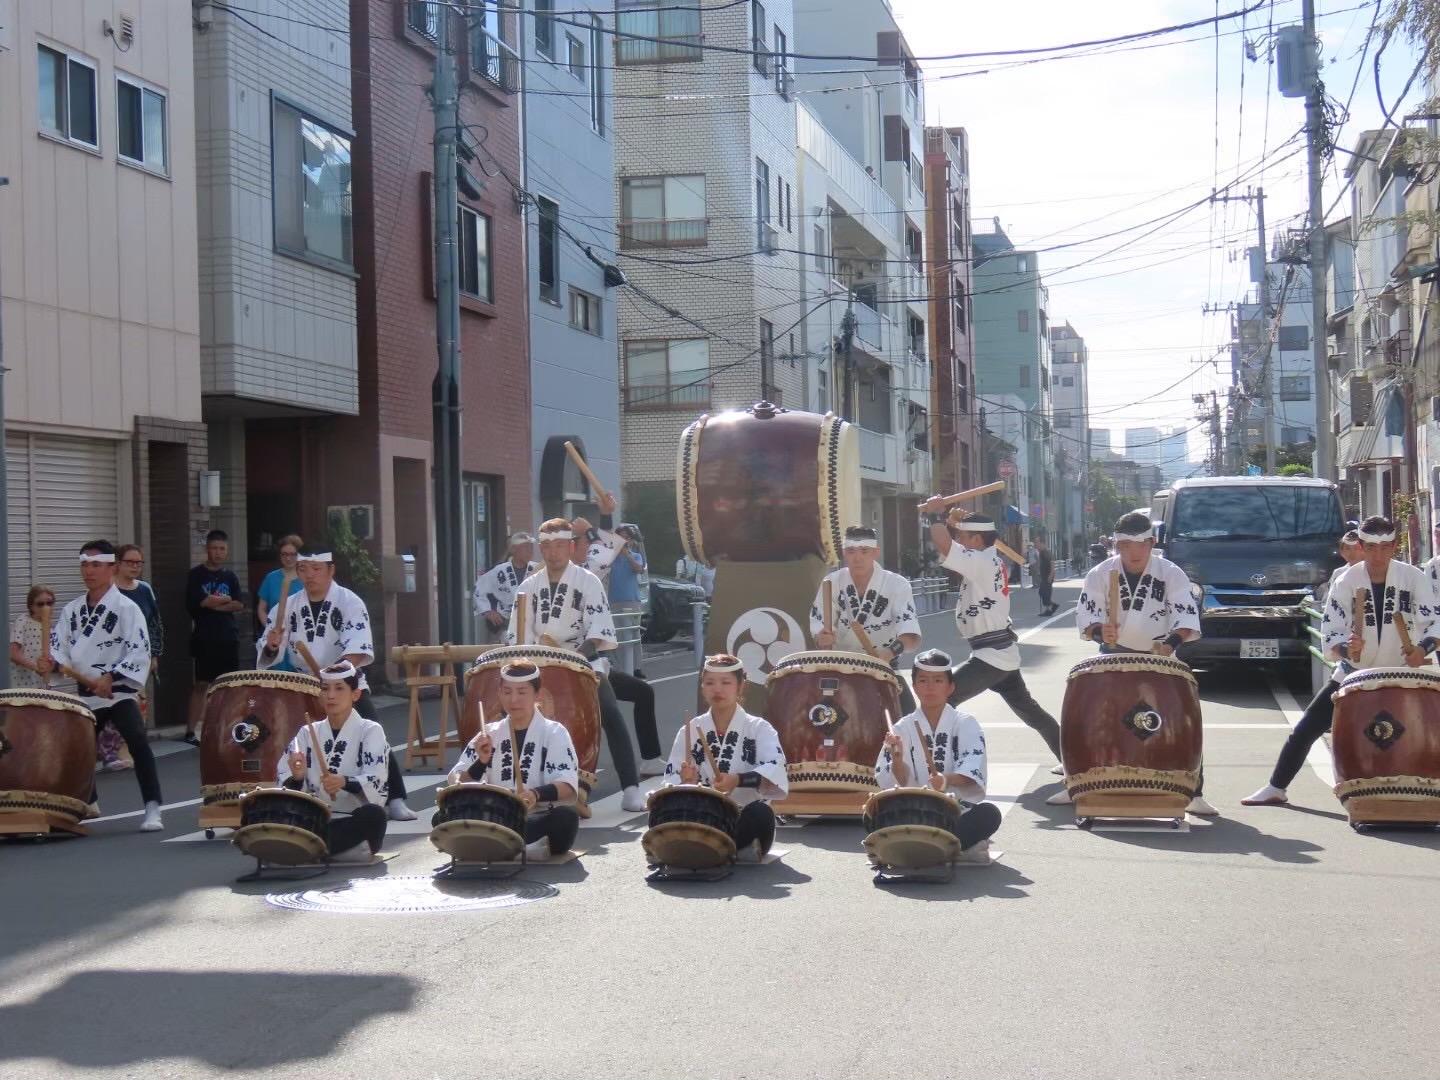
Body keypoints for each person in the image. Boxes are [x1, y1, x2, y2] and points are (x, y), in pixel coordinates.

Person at [1243, 515, 1440, 808]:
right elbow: (1332, 629)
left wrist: (1421, 649)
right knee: (1307, 728)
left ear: (1394, 546)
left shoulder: (1413, 578)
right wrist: (1349, 650)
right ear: (1361, 546)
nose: (1378, 554)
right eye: (1371, 547)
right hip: (1355, 673)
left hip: (1402, 674)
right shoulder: (1347, 579)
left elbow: (1434, 622)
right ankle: (1276, 786)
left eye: (1385, 547)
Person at [257, 549, 417, 821]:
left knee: (372, 733)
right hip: (305, 685)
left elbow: (357, 649)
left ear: (331, 570)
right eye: (304, 569)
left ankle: (395, 797)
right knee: (296, 742)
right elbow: (270, 651)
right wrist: (272, 644)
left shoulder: (349, 602)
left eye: (316, 569)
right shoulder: (288, 606)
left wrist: (333, 678)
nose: (309, 575)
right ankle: (294, 797)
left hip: (345, 680)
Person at [1069, 510, 1211, 815]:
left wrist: (1171, 643)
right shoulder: (1101, 573)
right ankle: (1085, 781)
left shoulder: (1170, 572)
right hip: (1115, 655)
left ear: (1152, 543)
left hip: (1158, 654)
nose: (1134, 553)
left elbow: (1186, 615)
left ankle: (1194, 788)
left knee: (1176, 716)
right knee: (1103, 717)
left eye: (1141, 545)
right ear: (1116, 546)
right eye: (1126, 546)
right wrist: (1099, 632)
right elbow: (1087, 615)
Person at [509, 518, 646, 812]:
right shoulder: (528, 586)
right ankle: (524, 787)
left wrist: (571, 657)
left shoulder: (588, 581)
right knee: (517, 716)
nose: (553, 552)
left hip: (583, 660)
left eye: (559, 546)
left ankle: (631, 786)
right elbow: (518, 634)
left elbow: (598, 632)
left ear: (571, 547)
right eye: (546, 546)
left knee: (608, 711)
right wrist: (537, 660)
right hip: (539, 663)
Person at [917, 504, 1064, 768]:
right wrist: (951, 521)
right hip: (999, 654)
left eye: (963, 538)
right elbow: (951, 542)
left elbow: (944, 543)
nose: (959, 542)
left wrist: (934, 514)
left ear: (976, 539)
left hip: (991, 656)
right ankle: (1072, 761)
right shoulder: (987, 560)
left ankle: (937, 766)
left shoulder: (981, 561)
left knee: (942, 698)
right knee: (1032, 713)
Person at [49, 540, 163, 831]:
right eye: (85, 564)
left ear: (112, 568)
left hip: (119, 691)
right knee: (78, 749)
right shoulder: (72, 611)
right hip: (88, 694)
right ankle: (88, 801)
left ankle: (153, 807)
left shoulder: (127, 608)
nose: (89, 571)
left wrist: (111, 676)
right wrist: (51, 662)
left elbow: (139, 649)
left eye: (96, 565)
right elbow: (59, 649)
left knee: (137, 740)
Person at [442, 660, 582, 860]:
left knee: (565, 818)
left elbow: (568, 785)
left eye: (522, 692)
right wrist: (480, 762)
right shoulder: (488, 733)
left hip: (534, 818)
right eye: (507, 692)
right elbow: (457, 783)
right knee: (442, 816)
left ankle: (493, 843)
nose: (513, 700)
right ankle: (502, 842)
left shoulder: (554, 732)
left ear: (537, 694)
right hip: (493, 818)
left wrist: (535, 794)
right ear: (499, 693)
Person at [874, 648, 1003, 854]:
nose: (930, 687)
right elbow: (892, 783)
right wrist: (897, 759)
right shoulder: (900, 728)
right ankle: (947, 847)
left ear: (950, 687)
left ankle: (928, 848)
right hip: (913, 812)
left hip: (955, 812)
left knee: (990, 814)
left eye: (938, 681)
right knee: (875, 814)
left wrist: (945, 780)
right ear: (914, 687)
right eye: (923, 681)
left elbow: (972, 770)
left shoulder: (966, 723)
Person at [660, 654, 789, 860]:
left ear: (741, 686)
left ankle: (717, 848)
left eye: (726, 682)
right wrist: (687, 784)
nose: (717, 689)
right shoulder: (691, 730)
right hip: (701, 819)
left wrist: (737, 780)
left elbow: (775, 770)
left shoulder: (759, 728)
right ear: (702, 687)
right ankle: (701, 847)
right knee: (662, 807)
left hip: (742, 818)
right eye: (709, 682)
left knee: (760, 813)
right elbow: (670, 780)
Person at [279, 661, 389, 863]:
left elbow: (376, 780)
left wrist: (344, 782)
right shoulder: (306, 732)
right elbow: (286, 786)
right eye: (325, 689)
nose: (330, 695)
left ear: (355, 694)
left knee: (374, 815)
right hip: (315, 820)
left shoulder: (370, 730)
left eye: (339, 689)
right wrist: (297, 777)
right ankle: (316, 847)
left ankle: (307, 848)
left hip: (352, 820)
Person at [808, 525, 922, 711]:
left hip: (884, 665)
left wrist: (888, 654)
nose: (857, 557)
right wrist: (822, 637)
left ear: (875, 552)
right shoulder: (832, 583)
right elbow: (819, 625)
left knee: (906, 717)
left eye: (864, 551)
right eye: (851, 551)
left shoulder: (896, 584)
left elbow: (910, 635)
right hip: (840, 668)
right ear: (844, 553)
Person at [185, 530, 244, 745]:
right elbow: (200, 602)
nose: (218, 553)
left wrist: (217, 602)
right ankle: (191, 731)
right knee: (201, 684)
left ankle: (227, 729)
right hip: (204, 637)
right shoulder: (196, 575)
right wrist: (222, 602)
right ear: (207, 549)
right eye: (214, 548)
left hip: (228, 637)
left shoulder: (230, 576)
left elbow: (238, 603)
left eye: (222, 549)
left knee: (229, 686)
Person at [110, 546, 163, 770]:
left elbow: (155, 623)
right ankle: (113, 752)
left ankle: (132, 749)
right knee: (113, 703)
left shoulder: (144, 589)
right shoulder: (109, 590)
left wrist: (154, 654)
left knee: (137, 704)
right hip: (111, 657)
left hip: (138, 657)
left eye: (138, 563)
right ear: (118, 563)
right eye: (130, 562)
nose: (135, 567)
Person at [473, 533, 538, 645]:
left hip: (532, 624)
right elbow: (478, 590)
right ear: (514, 549)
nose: (530, 551)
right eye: (525, 547)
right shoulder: (499, 571)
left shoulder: (537, 569)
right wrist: (488, 611)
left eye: (531, 547)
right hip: (505, 623)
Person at [607, 524, 648, 678]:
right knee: (618, 636)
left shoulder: (635, 555)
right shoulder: (610, 557)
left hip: (632, 601)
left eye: (627, 538)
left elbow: (639, 569)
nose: (624, 540)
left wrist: (627, 554)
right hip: (614, 602)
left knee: (634, 635)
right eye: (621, 537)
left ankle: (636, 668)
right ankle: (621, 669)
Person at [255, 534, 305, 658]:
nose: (288, 558)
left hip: (300, 639)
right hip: (275, 638)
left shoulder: (306, 579)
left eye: (292, 554)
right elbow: (261, 608)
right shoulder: (271, 578)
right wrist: (271, 628)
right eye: (284, 554)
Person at [10, 584, 58, 690]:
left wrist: (51, 666)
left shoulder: (52, 629)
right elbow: (13, 653)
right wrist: (36, 667)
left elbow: (54, 657)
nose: (46, 607)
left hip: (42, 686)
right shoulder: (23, 621)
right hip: (22, 685)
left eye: (49, 603)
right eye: (40, 604)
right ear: (31, 606)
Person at [1033, 536, 1058, 616]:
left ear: (1042, 543)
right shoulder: (1041, 552)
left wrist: (1051, 575)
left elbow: (1052, 563)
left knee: (1044, 592)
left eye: (1037, 543)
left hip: (1048, 576)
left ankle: (1052, 606)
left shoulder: (1046, 552)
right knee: (1043, 592)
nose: (1035, 545)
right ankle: (1049, 608)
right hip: (1044, 576)